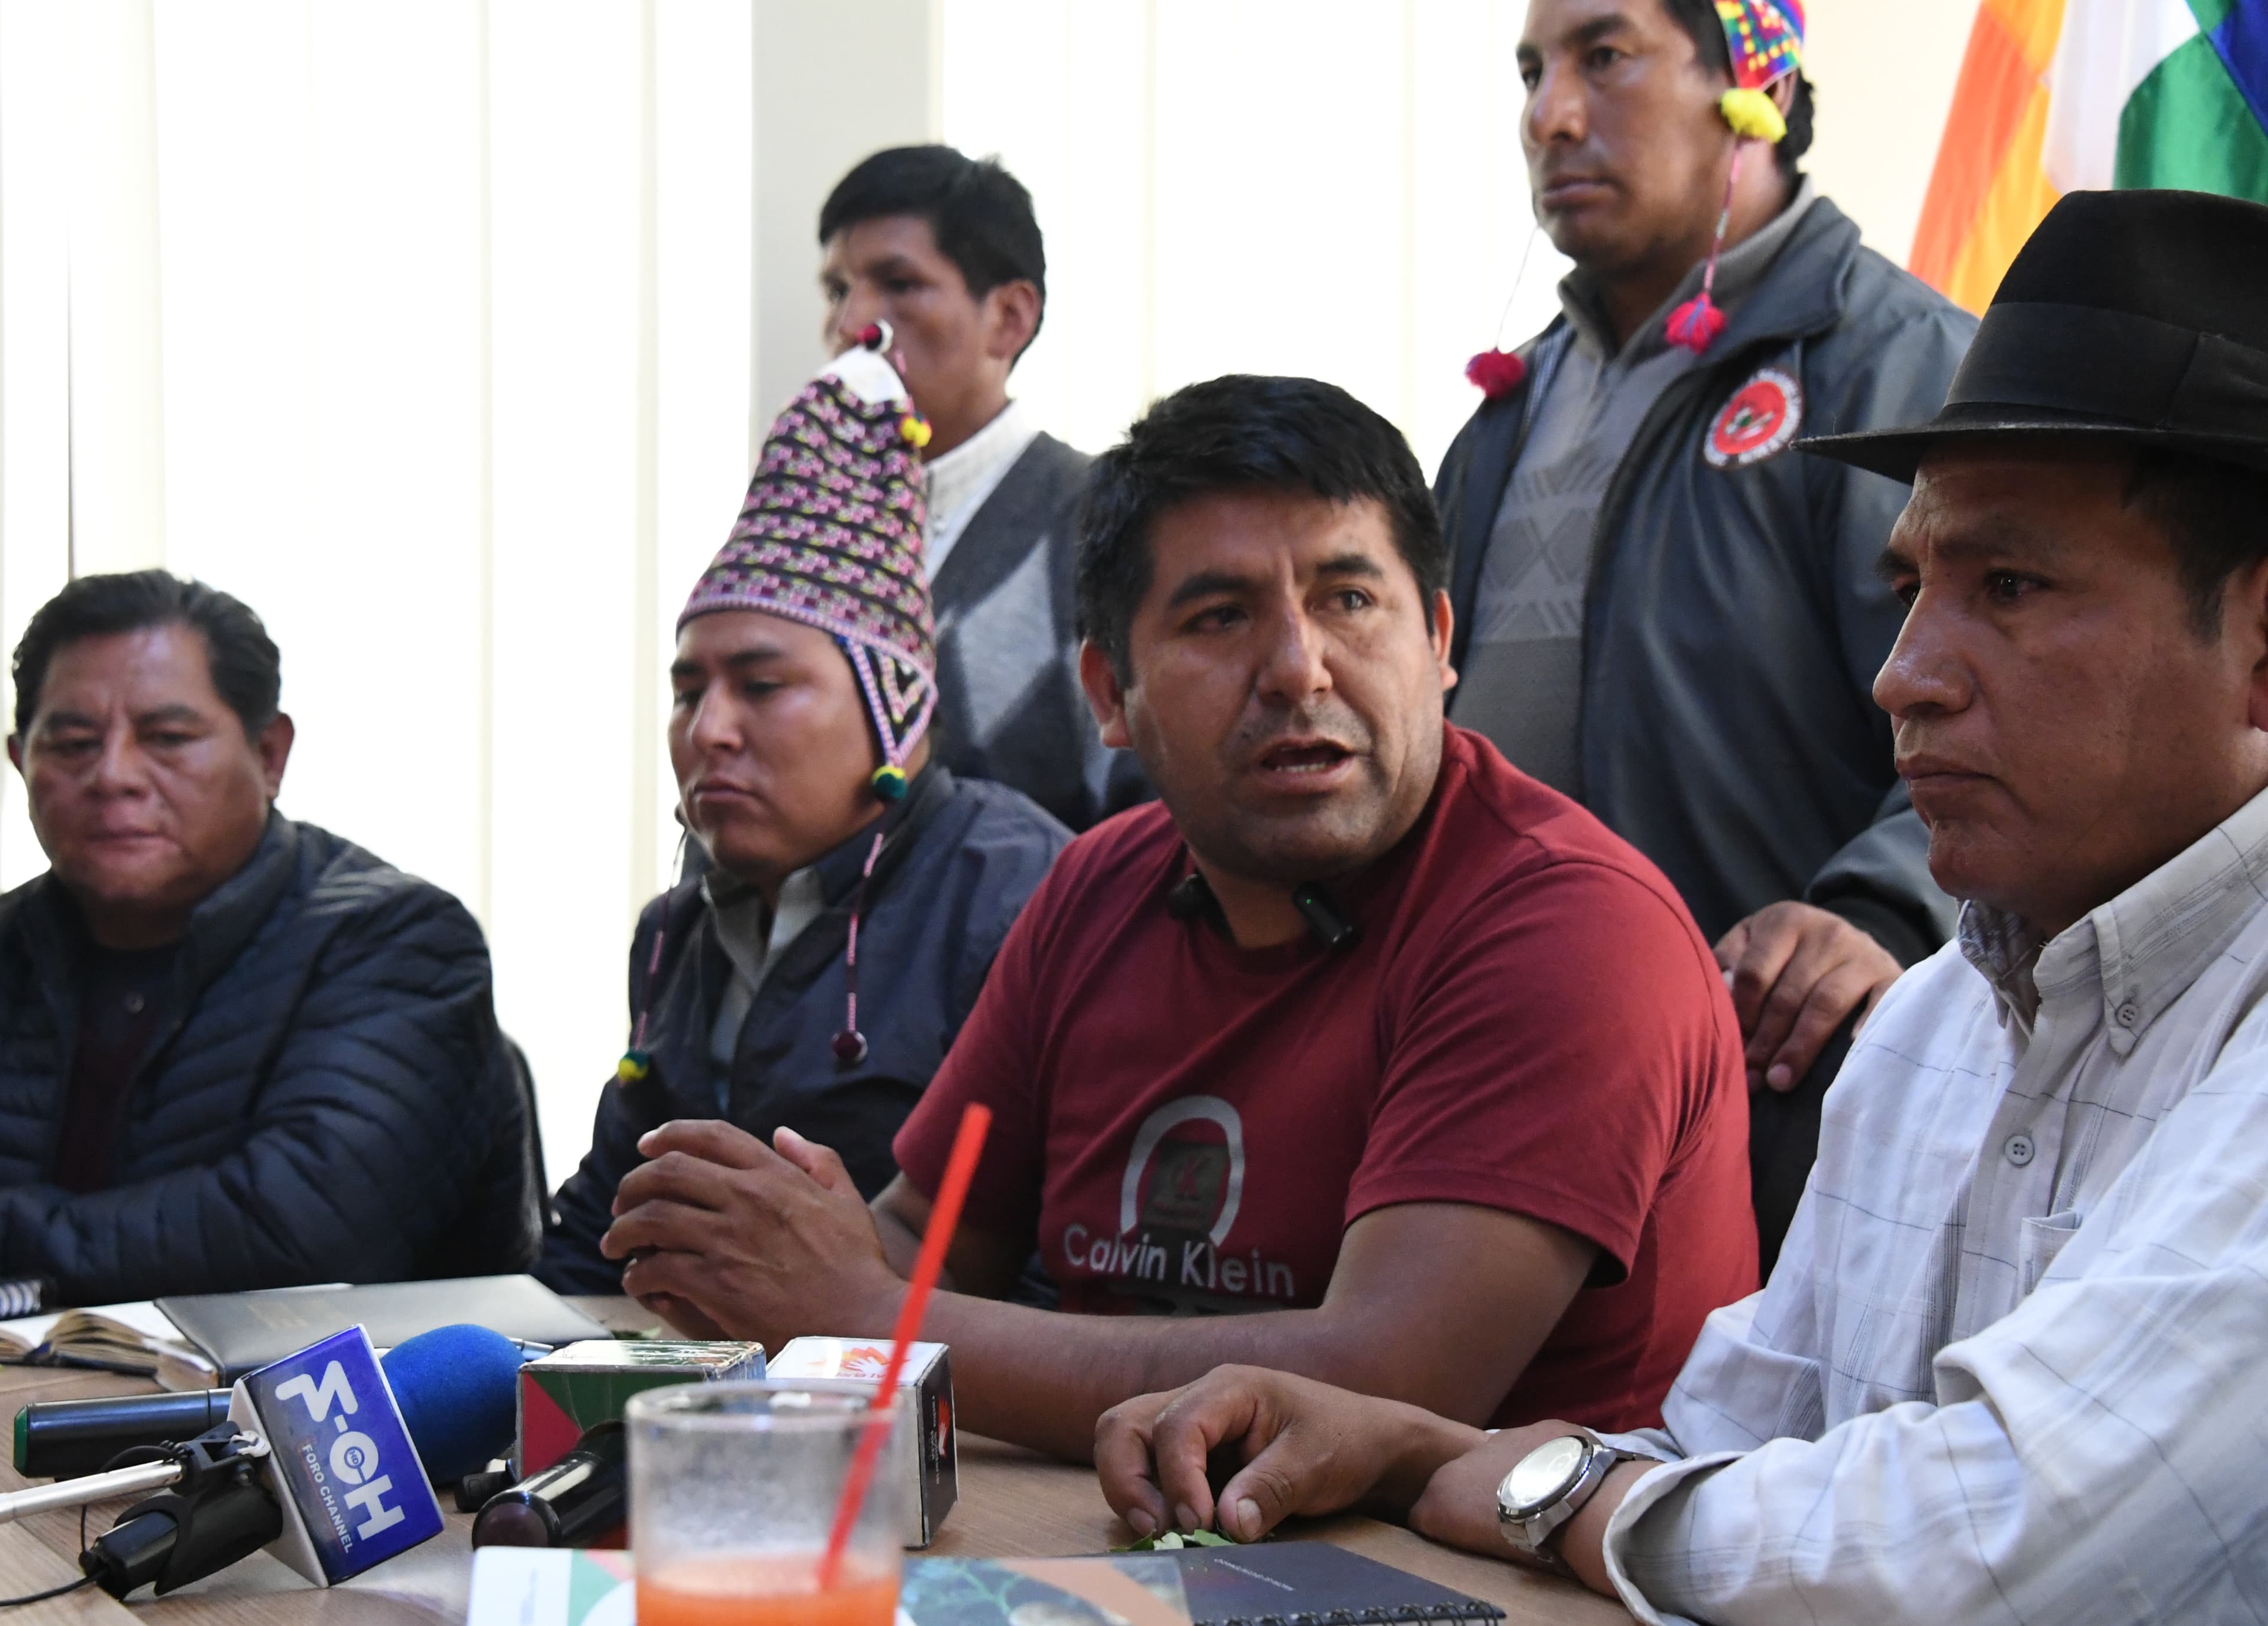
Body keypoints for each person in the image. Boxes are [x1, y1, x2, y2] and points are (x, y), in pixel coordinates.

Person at [1097, 189, 2268, 1625]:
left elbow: (1986, 1545)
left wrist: (1530, 1488)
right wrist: (1427, 1456)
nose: (1903, 674)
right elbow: (1737, 1451)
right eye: (1911, 585)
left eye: (2011, 586)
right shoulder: (1931, 1028)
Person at [588, 374, 1758, 1461]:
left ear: (1441, 642)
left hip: (1494, 1570)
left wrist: (857, 1314)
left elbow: (1386, 1378)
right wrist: (751, 1256)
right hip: (1126, 1537)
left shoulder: (1568, 928)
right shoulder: (1095, 888)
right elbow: (929, 1244)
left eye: (1350, 600)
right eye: (1220, 617)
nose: (1299, 667)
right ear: (1110, 692)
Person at [1443, 0, 1978, 1262]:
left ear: (1755, 84)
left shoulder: (1899, 368)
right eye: (1531, 71)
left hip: (1774, 1097)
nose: (1549, 115)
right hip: (1487, 1079)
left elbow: (2011, 712)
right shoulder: (1505, 410)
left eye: (1604, 56)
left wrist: (1886, 912)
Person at [0, 571, 538, 1304]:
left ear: (269, 755)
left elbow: (307, 1235)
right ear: (20, 761)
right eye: (72, 743)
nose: (113, 775)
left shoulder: (397, 943)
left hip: (319, 1383)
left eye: (167, 739)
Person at [538, 333, 1069, 1293]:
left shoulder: (1022, 899)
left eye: (763, 685)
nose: (710, 730)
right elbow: (604, 1227)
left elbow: (1058, 1267)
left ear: (897, 709)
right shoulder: (677, 930)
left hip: (934, 1381)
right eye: (687, 692)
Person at [819, 144, 1147, 832]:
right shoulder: (814, 532)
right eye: (837, 290)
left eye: (899, 283)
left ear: (1009, 318)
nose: (852, 326)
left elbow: (1149, 824)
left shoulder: (1109, 521)